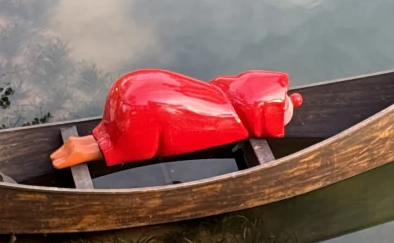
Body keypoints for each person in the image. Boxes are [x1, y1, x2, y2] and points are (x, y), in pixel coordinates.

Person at [51, 68, 302, 169]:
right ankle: (82, 151)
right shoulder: (231, 123)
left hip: (130, 91)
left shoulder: (223, 89)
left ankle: (78, 144)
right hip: (143, 110)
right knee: (118, 145)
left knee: (111, 134)